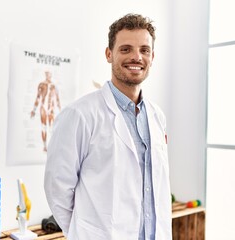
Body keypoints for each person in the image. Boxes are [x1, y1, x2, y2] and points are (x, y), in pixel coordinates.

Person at [44, 13, 172, 240]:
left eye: (144, 50)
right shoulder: (79, 115)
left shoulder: (157, 116)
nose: (136, 57)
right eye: (126, 49)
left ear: (152, 57)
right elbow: (57, 189)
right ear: (109, 54)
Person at [30, 71, 61, 152]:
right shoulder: (41, 84)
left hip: (51, 108)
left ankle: (52, 146)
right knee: (44, 127)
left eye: (49, 74)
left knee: (52, 128)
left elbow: (57, 99)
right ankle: (44, 146)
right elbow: (38, 97)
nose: (48, 75)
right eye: (47, 74)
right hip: (43, 107)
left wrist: (61, 111)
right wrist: (34, 110)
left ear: (51, 75)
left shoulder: (54, 86)